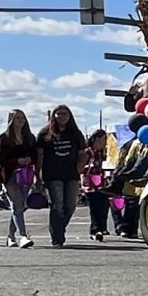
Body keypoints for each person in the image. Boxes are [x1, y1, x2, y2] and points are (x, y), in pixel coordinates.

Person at [37, 105, 85, 247]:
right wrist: (37, 175)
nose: (62, 116)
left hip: (71, 174)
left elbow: (83, 153)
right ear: (54, 116)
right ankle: (57, 238)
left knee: (70, 205)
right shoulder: (44, 133)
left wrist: (80, 166)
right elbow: (39, 155)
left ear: (69, 116)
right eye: (59, 114)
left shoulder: (75, 133)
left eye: (65, 114)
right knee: (57, 205)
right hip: (52, 174)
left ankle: (59, 229)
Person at [0, 109, 39, 249]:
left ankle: (10, 236)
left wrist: (29, 160)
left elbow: (35, 156)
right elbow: (2, 159)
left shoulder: (30, 138)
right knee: (17, 204)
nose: (20, 120)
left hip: (25, 175)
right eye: (17, 118)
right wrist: (17, 161)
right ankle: (23, 236)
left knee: (19, 207)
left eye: (22, 118)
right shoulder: (4, 138)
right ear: (11, 120)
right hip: (9, 175)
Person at [80, 130, 111, 243]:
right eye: (101, 139)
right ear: (95, 139)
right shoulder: (88, 152)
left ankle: (101, 228)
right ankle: (95, 230)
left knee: (103, 206)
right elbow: (81, 166)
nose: (103, 142)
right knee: (94, 207)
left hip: (102, 182)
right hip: (90, 182)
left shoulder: (105, 152)